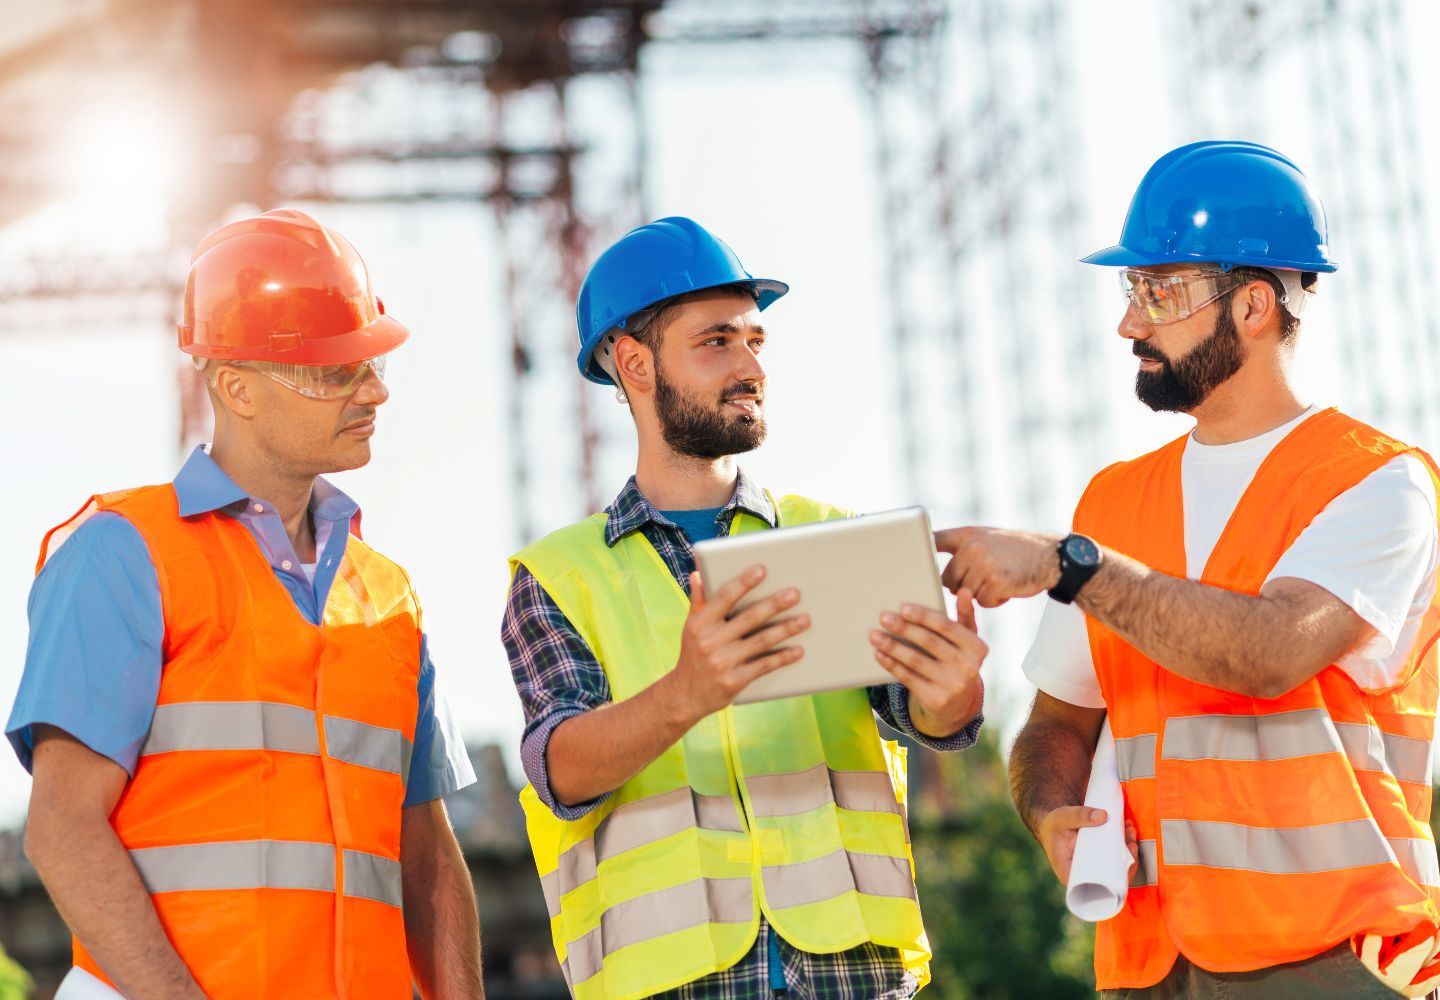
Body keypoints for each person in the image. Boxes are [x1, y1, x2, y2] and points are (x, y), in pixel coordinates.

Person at [935, 141, 1440, 998]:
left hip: (1330, 958)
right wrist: (1051, 812)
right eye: (1131, 291)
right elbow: (1060, 723)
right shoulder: (1114, 504)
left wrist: (1069, 565)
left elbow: (1270, 650)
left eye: (1158, 292)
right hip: (1150, 963)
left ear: (1251, 305)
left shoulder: (1376, 481)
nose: (1130, 323)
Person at [502, 216, 987, 999]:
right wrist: (685, 694)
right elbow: (560, 769)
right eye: (717, 342)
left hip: (853, 975)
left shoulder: (832, 535)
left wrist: (952, 690)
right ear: (634, 363)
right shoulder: (560, 575)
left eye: (756, 341)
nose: (751, 365)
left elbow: (923, 715)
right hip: (674, 984)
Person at [9, 209, 484, 1000]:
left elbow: (425, 850)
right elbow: (62, 830)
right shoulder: (124, 553)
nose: (377, 390)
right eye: (339, 371)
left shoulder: (390, 597)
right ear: (237, 388)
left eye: (371, 362)